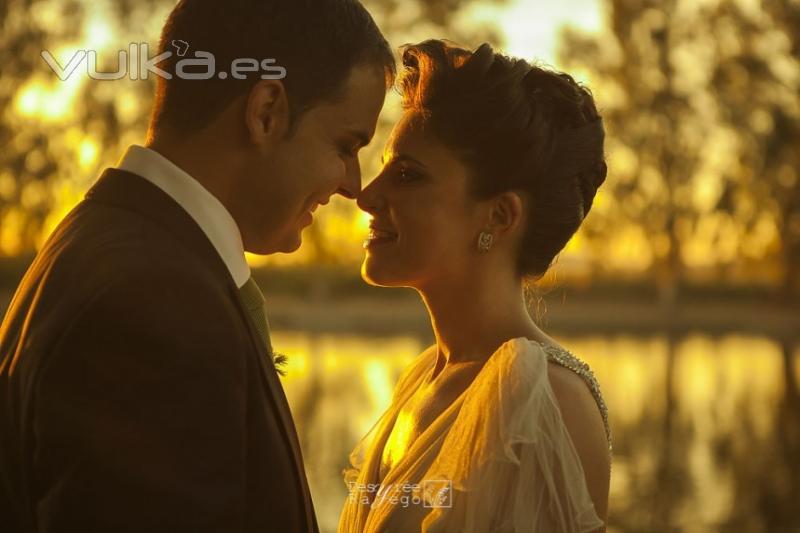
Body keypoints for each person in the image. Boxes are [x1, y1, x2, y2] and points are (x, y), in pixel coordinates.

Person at [0, 0, 393, 531]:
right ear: (266, 113)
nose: (354, 185)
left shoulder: (106, 245)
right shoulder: (153, 306)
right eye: (346, 145)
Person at [338, 40, 612, 532]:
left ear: (499, 215)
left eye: (407, 175)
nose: (367, 195)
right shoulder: (425, 377)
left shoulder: (546, 401)